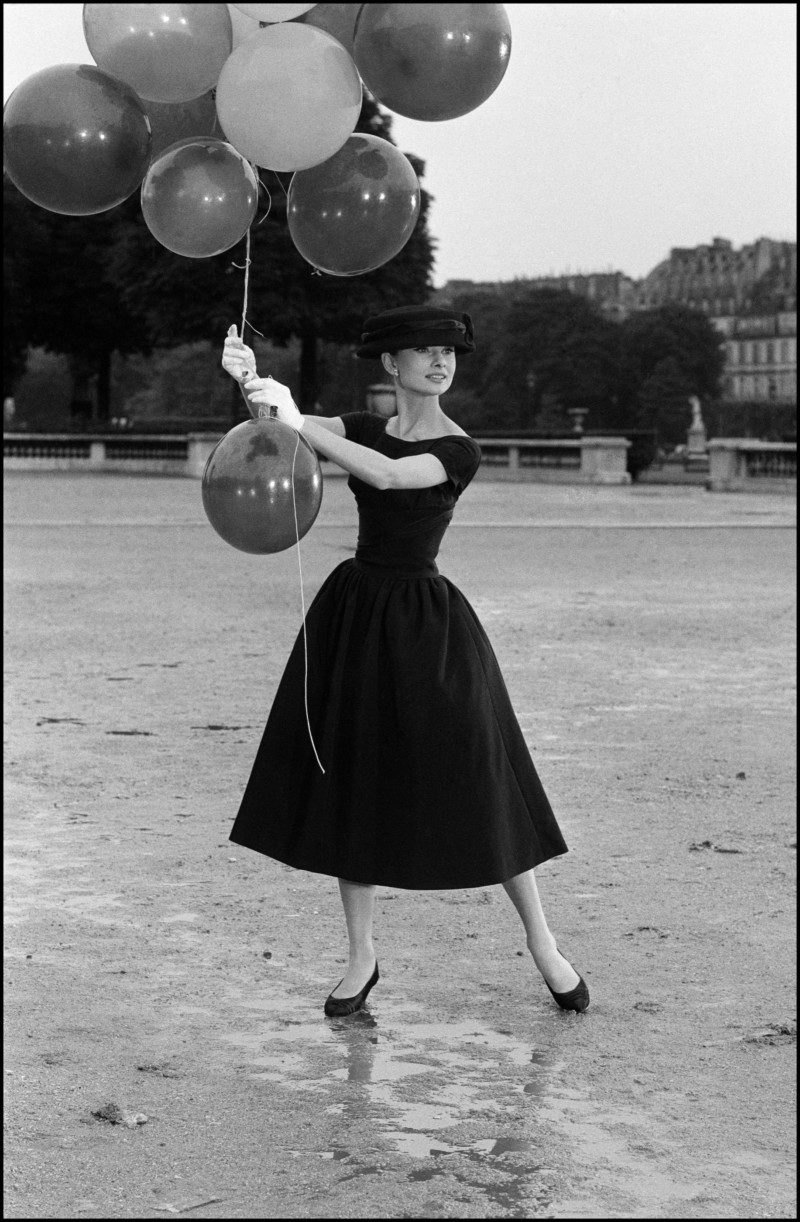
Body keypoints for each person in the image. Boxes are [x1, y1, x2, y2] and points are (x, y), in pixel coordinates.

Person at [221, 305, 589, 1018]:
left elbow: (389, 477)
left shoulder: (458, 449)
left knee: (480, 771)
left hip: (428, 621)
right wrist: (251, 381)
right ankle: (362, 957)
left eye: (449, 351)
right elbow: (283, 428)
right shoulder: (366, 426)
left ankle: (542, 942)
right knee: (353, 777)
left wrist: (296, 418)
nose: (441, 361)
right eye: (425, 350)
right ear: (393, 363)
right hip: (356, 613)